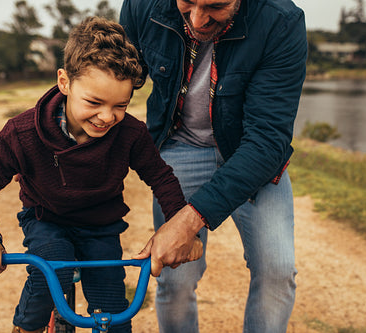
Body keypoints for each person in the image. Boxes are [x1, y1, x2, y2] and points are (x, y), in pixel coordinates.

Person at [0, 17, 202, 333]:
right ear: (65, 82)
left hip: (101, 226)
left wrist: (182, 230)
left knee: (114, 312)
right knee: (52, 270)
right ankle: (27, 327)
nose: (107, 117)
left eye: (121, 105)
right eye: (94, 102)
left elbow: (161, 177)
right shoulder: (22, 133)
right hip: (46, 218)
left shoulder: (130, 133)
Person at [120, 0, 307, 331]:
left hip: (251, 155)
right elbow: (104, 73)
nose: (197, 19)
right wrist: (52, 128)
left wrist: (189, 221)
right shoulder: (140, 4)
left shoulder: (282, 21)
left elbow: (267, 141)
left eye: (215, 6)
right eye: (188, 2)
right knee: (174, 279)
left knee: (277, 270)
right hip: (180, 145)